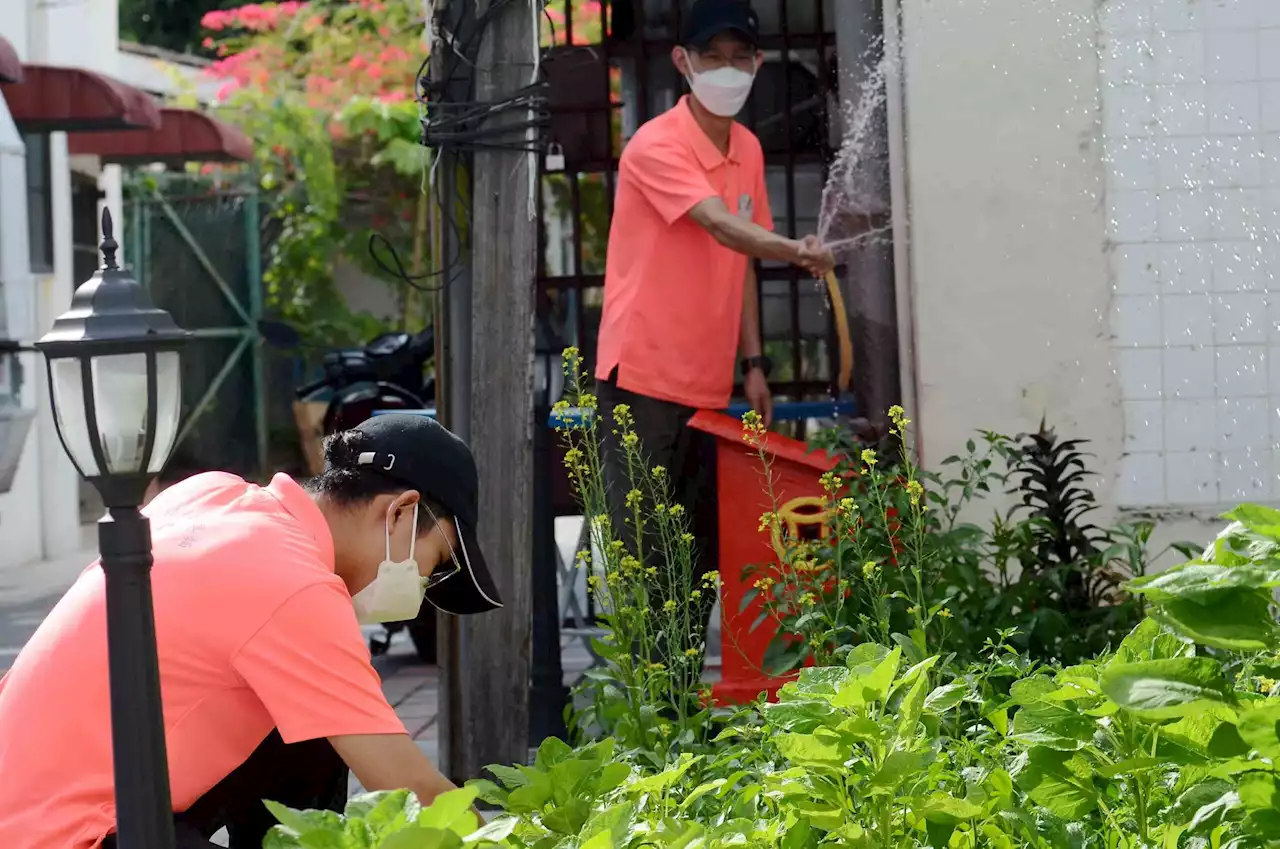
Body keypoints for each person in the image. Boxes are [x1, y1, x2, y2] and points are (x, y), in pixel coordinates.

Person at [0, 414, 503, 849]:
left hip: (35, 806)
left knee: (323, 720)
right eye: (434, 565)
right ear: (400, 511)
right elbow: (413, 788)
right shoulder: (292, 583)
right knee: (331, 717)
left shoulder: (214, 495)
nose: (420, 589)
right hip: (71, 833)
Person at [593, 0, 836, 665]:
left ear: (758, 64)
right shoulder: (656, 145)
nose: (727, 70)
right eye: (712, 57)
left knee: (702, 545)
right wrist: (795, 249)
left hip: (707, 382)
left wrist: (753, 362)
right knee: (645, 550)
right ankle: (651, 700)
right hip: (642, 375)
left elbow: (741, 259)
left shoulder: (749, 149)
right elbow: (723, 226)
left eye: (739, 58)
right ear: (684, 63)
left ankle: (684, 697)